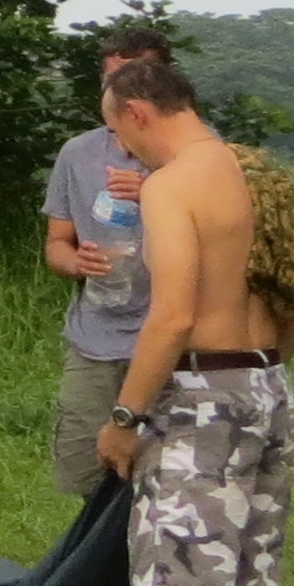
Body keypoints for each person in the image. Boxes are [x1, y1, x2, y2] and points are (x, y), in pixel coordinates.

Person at [79, 58, 294, 586]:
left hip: (203, 397)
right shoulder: (249, 172)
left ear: (138, 113)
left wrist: (126, 417)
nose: (121, 148)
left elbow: (169, 317)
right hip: (269, 387)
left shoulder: (173, 186)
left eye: (116, 128)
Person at [41, 25, 177, 500]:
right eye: (113, 79)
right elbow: (56, 243)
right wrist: (77, 261)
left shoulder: (196, 156)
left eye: (136, 78)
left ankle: (151, 570)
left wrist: (155, 192)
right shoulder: (78, 153)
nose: (121, 93)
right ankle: (94, 569)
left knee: (165, 479)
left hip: (172, 339)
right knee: (86, 475)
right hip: (94, 336)